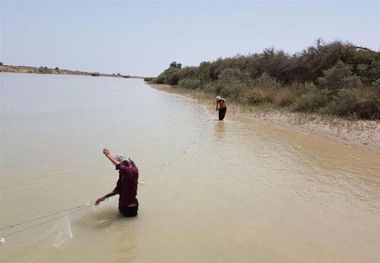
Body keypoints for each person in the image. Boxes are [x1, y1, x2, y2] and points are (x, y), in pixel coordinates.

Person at [95, 148, 139, 217]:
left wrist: (108, 155)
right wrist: (103, 198)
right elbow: (117, 190)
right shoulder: (123, 175)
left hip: (130, 208)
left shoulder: (132, 171)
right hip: (123, 207)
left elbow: (120, 166)